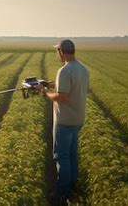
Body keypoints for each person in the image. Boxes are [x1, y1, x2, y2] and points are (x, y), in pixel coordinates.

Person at [36, 39, 89, 205]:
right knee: (72, 155)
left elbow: (61, 96)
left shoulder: (64, 71)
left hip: (64, 121)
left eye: (57, 51)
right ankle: (73, 185)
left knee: (61, 157)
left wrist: (45, 91)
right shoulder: (82, 68)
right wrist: (50, 83)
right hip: (78, 118)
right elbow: (73, 85)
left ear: (61, 51)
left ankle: (62, 192)